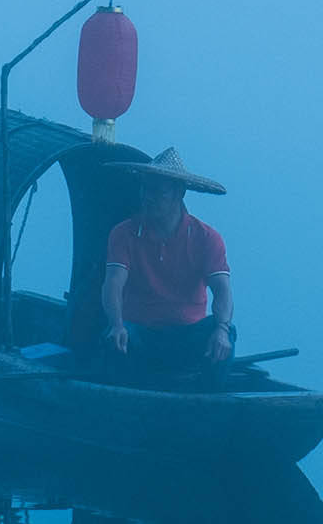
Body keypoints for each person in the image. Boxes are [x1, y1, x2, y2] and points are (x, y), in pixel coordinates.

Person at [97, 149, 234, 374]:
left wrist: (222, 329)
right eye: (145, 188)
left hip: (187, 334)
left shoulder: (206, 238)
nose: (147, 197)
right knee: (114, 342)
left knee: (225, 336)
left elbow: (222, 290)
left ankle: (203, 397)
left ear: (179, 193)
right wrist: (116, 324)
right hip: (140, 333)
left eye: (157, 191)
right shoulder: (124, 233)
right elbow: (113, 284)